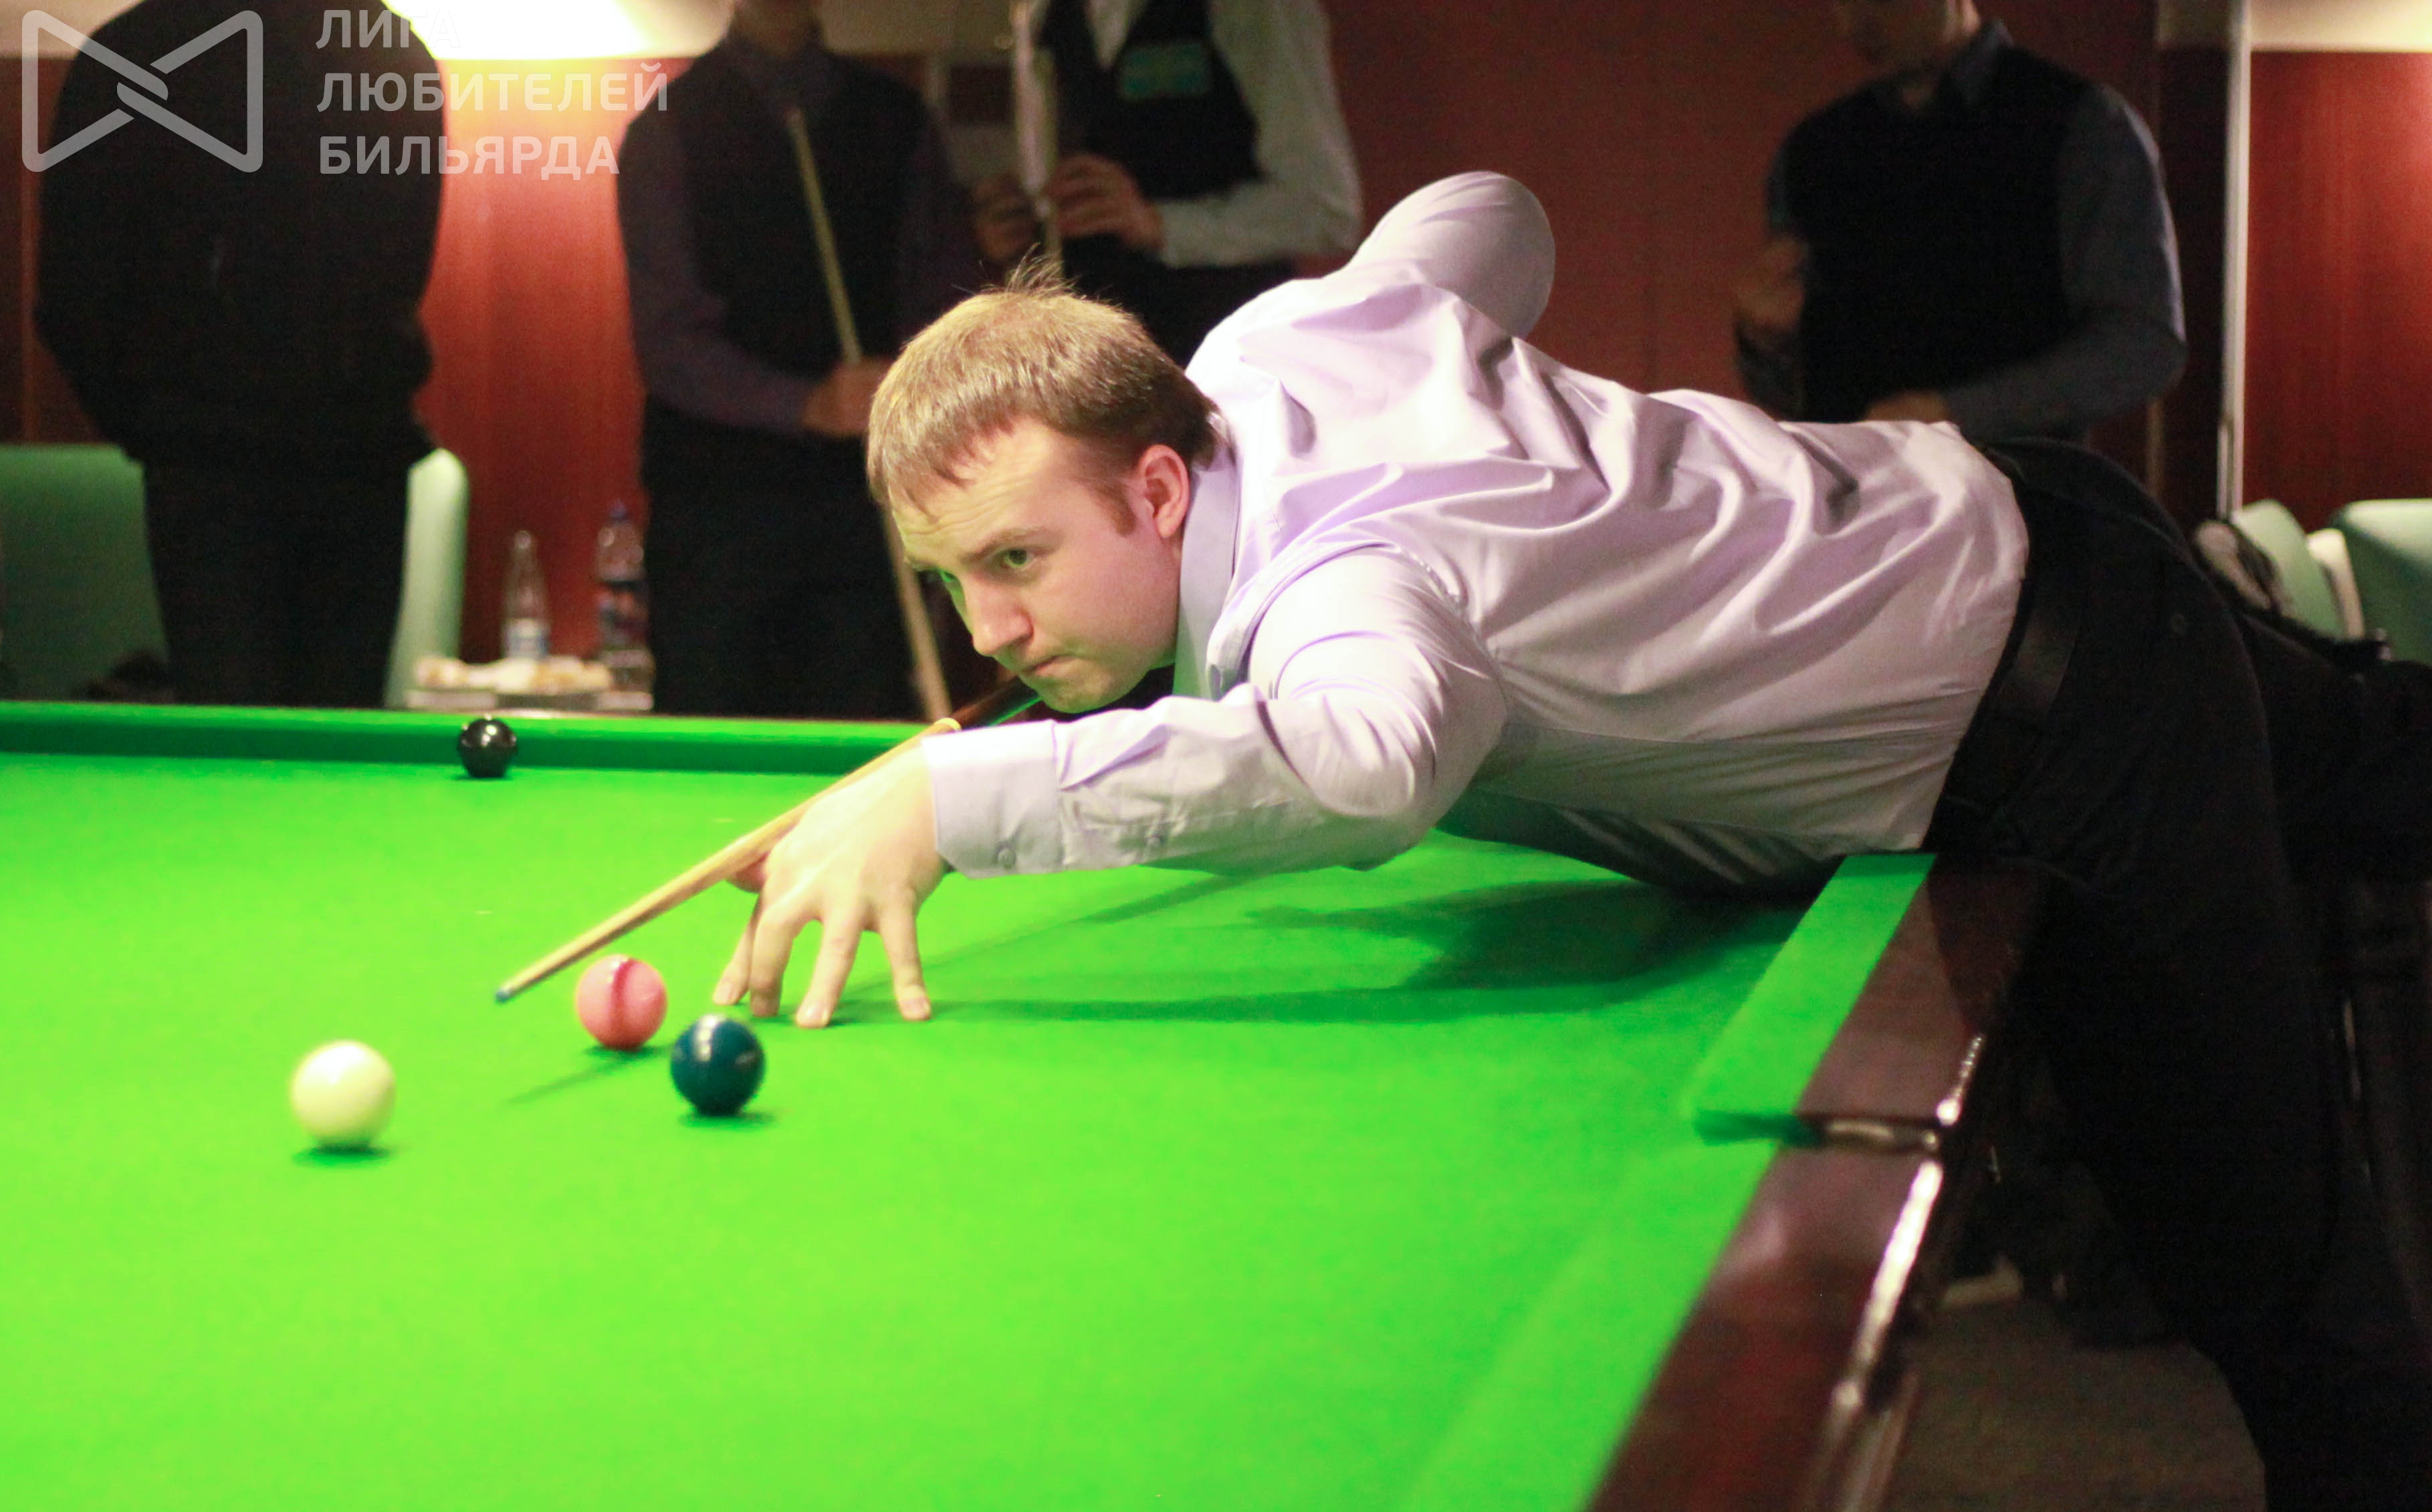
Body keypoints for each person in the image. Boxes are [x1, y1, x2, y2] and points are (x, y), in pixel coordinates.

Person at [714, 173, 2431, 1505]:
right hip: (2028, 514)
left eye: (1015, 559)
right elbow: (1490, 218)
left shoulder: (1345, 589)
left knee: (2263, 1268)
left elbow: (1362, 767)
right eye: (952, 581)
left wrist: (952, 802)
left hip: (2074, 711)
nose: (989, 630)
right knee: (2378, 755)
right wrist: (1438, 357)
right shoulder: (1272, 347)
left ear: (1159, 489)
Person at [36, 0, 443, 708]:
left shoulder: (137, 48)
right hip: (348, 449)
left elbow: (74, 294)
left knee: (235, 722)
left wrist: (159, 422)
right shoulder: (384, 47)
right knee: (333, 734)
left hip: (219, 456)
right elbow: (401, 268)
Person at [615, 0, 979, 718]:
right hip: (715, 515)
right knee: (712, 748)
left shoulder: (896, 118)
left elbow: (945, 302)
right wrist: (808, 403)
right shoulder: (666, 127)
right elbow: (669, 344)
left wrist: (903, 387)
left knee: (863, 743)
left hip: (866, 512)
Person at [1734, 0, 2185, 443]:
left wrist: (1955, 414)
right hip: (1849, 484)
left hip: (2014, 483)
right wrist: (1765, 343)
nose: (1858, 20)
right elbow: (1798, 390)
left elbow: (2142, 345)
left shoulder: (2078, 123)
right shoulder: (1814, 152)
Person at [971, 0, 1361, 362]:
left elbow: (1326, 209)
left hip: (1223, 351)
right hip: (1093, 357)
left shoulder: (1259, 9)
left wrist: (1161, 225)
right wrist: (1020, 227)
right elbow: (1040, 182)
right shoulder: (1041, 15)